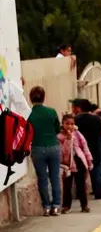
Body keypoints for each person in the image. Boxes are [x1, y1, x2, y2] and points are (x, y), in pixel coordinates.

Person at [27, 86, 62, 216]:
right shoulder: (51, 112)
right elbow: (57, 130)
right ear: (44, 97)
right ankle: (56, 206)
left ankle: (46, 206)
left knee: (42, 178)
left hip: (37, 148)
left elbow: (27, 133)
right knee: (55, 178)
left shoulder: (29, 114)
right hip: (53, 146)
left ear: (31, 99)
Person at [58, 113, 93, 213]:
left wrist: (89, 161)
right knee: (67, 186)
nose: (69, 126)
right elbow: (63, 152)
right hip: (67, 165)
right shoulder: (59, 136)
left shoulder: (77, 133)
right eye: (67, 123)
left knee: (81, 185)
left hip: (79, 162)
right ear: (63, 124)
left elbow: (84, 146)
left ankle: (84, 205)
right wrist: (68, 139)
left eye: (72, 124)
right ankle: (66, 206)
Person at [75, 99, 101, 199]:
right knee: (96, 170)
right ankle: (98, 192)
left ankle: (80, 194)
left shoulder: (76, 119)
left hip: (80, 149)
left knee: (80, 172)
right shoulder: (96, 119)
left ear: (80, 108)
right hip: (95, 147)